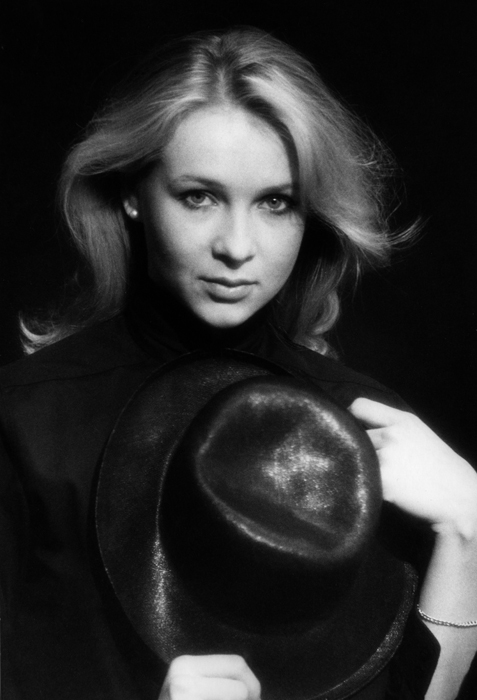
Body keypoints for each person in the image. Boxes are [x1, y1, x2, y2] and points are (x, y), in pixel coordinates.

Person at [0, 26, 476, 700]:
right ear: (133, 194)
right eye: (199, 196)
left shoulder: (366, 435)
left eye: (276, 203)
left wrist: (466, 525)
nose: (236, 246)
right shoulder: (24, 426)